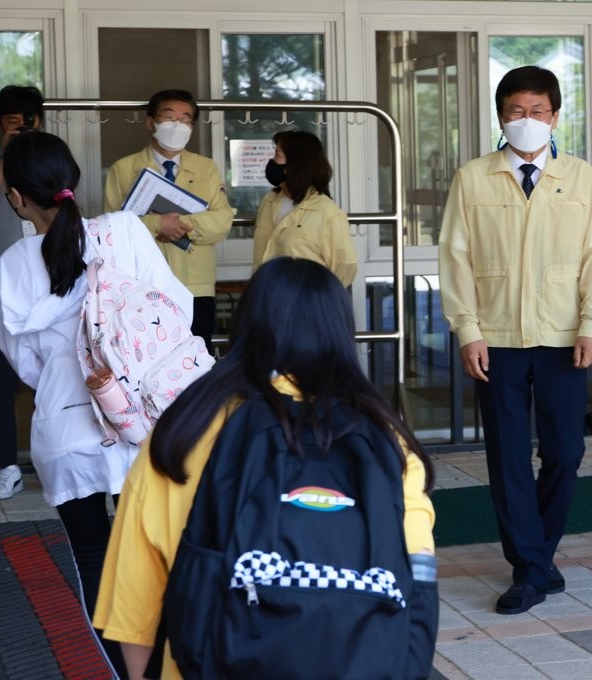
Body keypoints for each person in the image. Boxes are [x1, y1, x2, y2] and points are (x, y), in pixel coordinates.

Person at [93, 257, 436, 680]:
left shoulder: (184, 433)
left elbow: (134, 610)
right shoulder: (388, 442)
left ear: (248, 327)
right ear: (340, 333)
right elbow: (419, 584)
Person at [0, 131, 194, 678]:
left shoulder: (11, 265)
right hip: (143, 424)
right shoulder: (125, 231)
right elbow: (175, 312)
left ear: (16, 197)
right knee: (162, 557)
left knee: (94, 563)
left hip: (67, 434)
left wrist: (69, 376)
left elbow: (25, 365)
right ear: (73, 179)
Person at [439, 65, 592, 615]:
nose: (527, 120)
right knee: (508, 457)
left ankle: (538, 556)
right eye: (516, 111)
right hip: (496, 337)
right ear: (501, 117)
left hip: (565, 337)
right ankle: (529, 569)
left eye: (538, 110)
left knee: (566, 451)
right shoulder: (473, 177)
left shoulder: (581, 177)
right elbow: (456, 256)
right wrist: (467, 330)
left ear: (556, 116)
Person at [103, 89, 233, 350]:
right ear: (150, 122)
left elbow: (222, 221)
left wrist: (181, 225)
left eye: (186, 120)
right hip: (142, 287)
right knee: (149, 362)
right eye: (170, 117)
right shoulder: (123, 168)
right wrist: (156, 225)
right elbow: (111, 230)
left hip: (196, 287)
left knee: (196, 363)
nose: (178, 125)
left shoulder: (206, 168)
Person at [0, 85, 43, 500]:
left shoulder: (48, 158)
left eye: (27, 118)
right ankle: (6, 464)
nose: (20, 124)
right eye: (12, 119)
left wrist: (31, 155)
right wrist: (5, 159)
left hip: (48, 277)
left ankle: (56, 457)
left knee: (58, 368)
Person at [252, 129, 356, 285]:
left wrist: (319, 299)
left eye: (278, 155)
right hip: (268, 297)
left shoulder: (327, 211)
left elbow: (344, 267)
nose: (272, 161)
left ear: (296, 164)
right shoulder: (270, 201)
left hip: (306, 303)